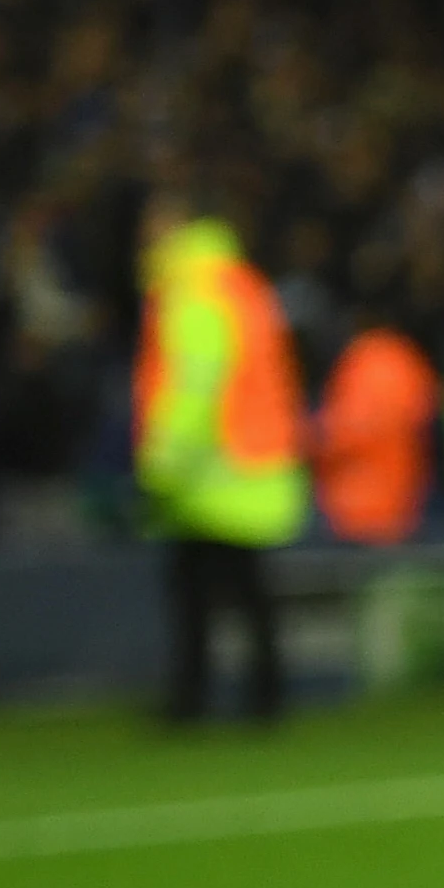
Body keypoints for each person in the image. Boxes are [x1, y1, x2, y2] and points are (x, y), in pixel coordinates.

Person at [133, 193, 304, 726]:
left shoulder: (194, 286)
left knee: (196, 591)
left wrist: (166, 451)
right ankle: (263, 697)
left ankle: (195, 700)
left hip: (213, 466)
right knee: (246, 589)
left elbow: (198, 376)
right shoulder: (243, 282)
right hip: (257, 459)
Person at [313, 313, 443, 548]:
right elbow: (426, 411)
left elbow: (345, 432)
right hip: (401, 501)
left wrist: (310, 437)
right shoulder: (407, 359)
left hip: (355, 505)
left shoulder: (362, 362)